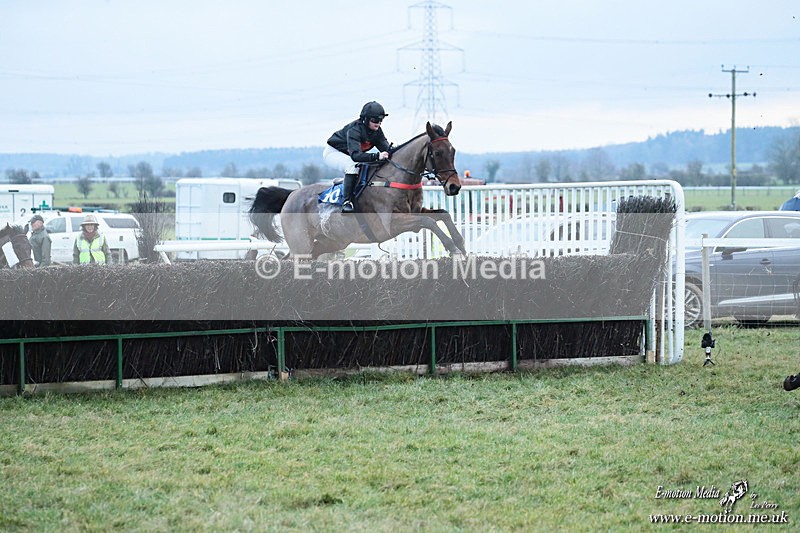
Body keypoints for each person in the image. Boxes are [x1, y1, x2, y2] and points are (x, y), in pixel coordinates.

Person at [324, 101, 392, 213]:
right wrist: (376, 155)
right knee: (352, 165)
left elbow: (387, 150)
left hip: (350, 155)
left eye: (381, 120)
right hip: (333, 152)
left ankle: (348, 184)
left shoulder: (377, 132)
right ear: (365, 119)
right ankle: (347, 201)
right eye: (375, 120)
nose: (378, 123)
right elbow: (356, 156)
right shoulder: (354, 130)